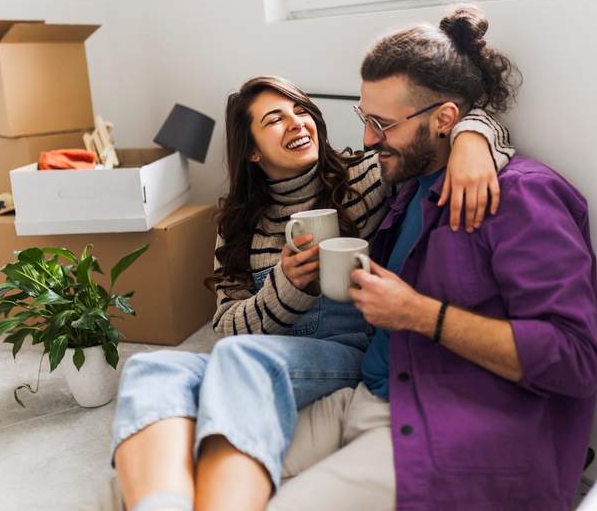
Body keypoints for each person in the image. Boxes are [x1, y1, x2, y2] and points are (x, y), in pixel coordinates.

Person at [102, 74, 515, 511]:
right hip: (268, 359)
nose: (297, 123)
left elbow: (453, 125)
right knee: (150, 369)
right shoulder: (239, 225)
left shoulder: (368, 175)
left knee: (238, 360)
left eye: (301, 110)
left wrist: (472, 140)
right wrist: (288, 287)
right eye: (275, 120)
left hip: (347, 354)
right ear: (253, 150)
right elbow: (226, 325)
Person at [260, 5, 597, 511]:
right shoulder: (406, 188)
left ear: (444, 119)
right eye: (364, 118)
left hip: (452, 427)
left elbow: (574, 359)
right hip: (371, 395)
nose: (367, 139)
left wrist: (419, 315)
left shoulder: (524, 198)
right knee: (213, 466)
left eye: (381, 124)